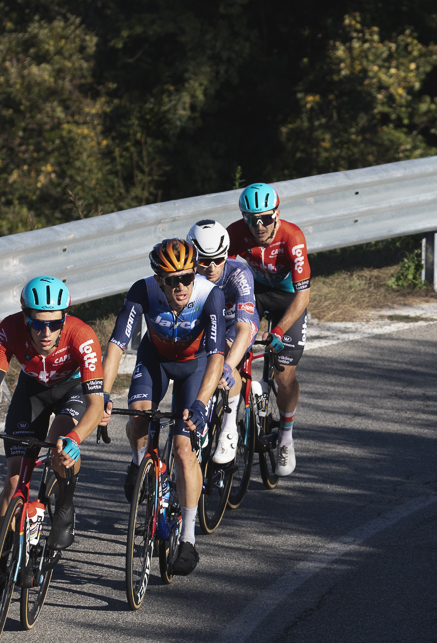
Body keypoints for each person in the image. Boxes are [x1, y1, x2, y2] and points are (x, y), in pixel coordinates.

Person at [0, 275, 107, 610]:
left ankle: (65, 506)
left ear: (64, 319)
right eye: (37, 324)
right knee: (14, 480)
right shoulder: (9, 329)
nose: (46, 333)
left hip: (72, 392)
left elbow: (96, 404)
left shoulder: (82, 336)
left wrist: (75, 438)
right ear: (25, 317)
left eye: (54, 324)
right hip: (31, 392)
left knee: (60, 444)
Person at [98, 238, 225, 575]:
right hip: (155, 358)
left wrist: (200, 404)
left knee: (183, 448)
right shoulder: (142, 290)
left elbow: (216, 356)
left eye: (187, 277)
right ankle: (140, 462)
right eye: (172, 280)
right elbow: (116, 345)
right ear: (159, 280)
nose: (181, 286)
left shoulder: (209, 294)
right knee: (140, 417)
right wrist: (103, 395)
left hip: (195, 365)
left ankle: (188, 537)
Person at [225, 182, 309, 476]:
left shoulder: (292, 237)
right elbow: (222, 277)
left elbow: (303, 295)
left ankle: (286, 436)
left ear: (277, 215)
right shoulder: (235, 233)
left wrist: (280, 330)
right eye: (251, 219)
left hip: (289, 299)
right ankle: (229, 420)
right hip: (255, 294)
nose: (259, 225)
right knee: (232, 351)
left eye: (265, 218)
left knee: (284, 376)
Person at [186, 219, 257, 465]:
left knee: (222, 361)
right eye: (205, 261)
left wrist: (227, 367)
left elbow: (243, 329)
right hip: (207, 323)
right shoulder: (186, 275)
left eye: (219, 259)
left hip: (235, 323)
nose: (213, 267)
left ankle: (229, 428)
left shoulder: (239, 274)